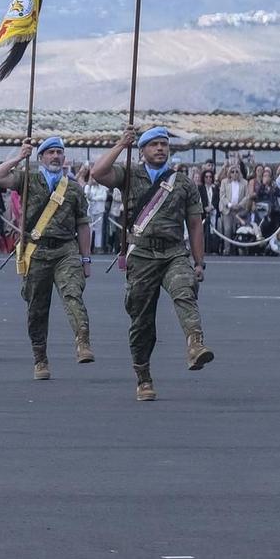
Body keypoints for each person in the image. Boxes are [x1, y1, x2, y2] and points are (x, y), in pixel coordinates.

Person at [88, 125, 211, 402]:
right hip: (142, 255)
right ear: (141, 150)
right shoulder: (129, 175)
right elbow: (97, 173)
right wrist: (121, 144)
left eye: (164, 144)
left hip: (174, 253)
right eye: (153, 144)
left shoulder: (183, 183)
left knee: (184, 291)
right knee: (142, 321)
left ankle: (195, 343)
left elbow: (194, 223)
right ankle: (143, 376)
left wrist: (199, 261)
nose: (160, 149)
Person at [0, 136, 93, 379]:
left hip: (66, 250)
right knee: (37, 307)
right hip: (36, 251)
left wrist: (86, 259)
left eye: (59, 152)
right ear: (41, 158)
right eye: (50, 153)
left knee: (73, 295)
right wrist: (18, 157)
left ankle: (83, 341)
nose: (55, 156)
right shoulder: (27, 179)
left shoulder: (74, 188)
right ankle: (40, 358)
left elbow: (83, 225)